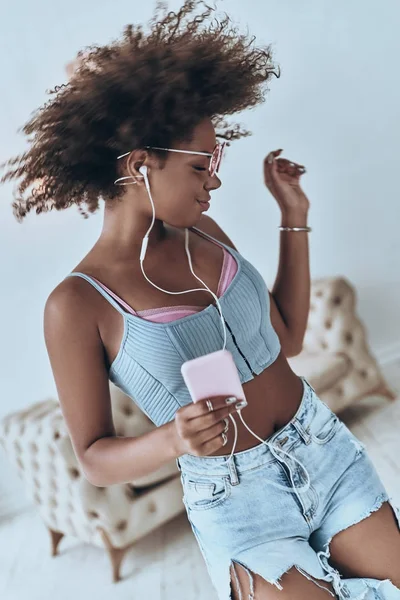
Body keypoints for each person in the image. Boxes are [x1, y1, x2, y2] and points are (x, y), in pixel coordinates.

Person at [1, 2, 399, 598]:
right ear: (140, 166)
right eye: (200, 164)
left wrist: (294, 217)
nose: (214, 179)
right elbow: (93, 457)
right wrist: (171, 440)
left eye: (217, 160)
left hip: (322, 449)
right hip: (239, 503)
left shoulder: (204, 234)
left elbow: (286, 338)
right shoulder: (76, 305)